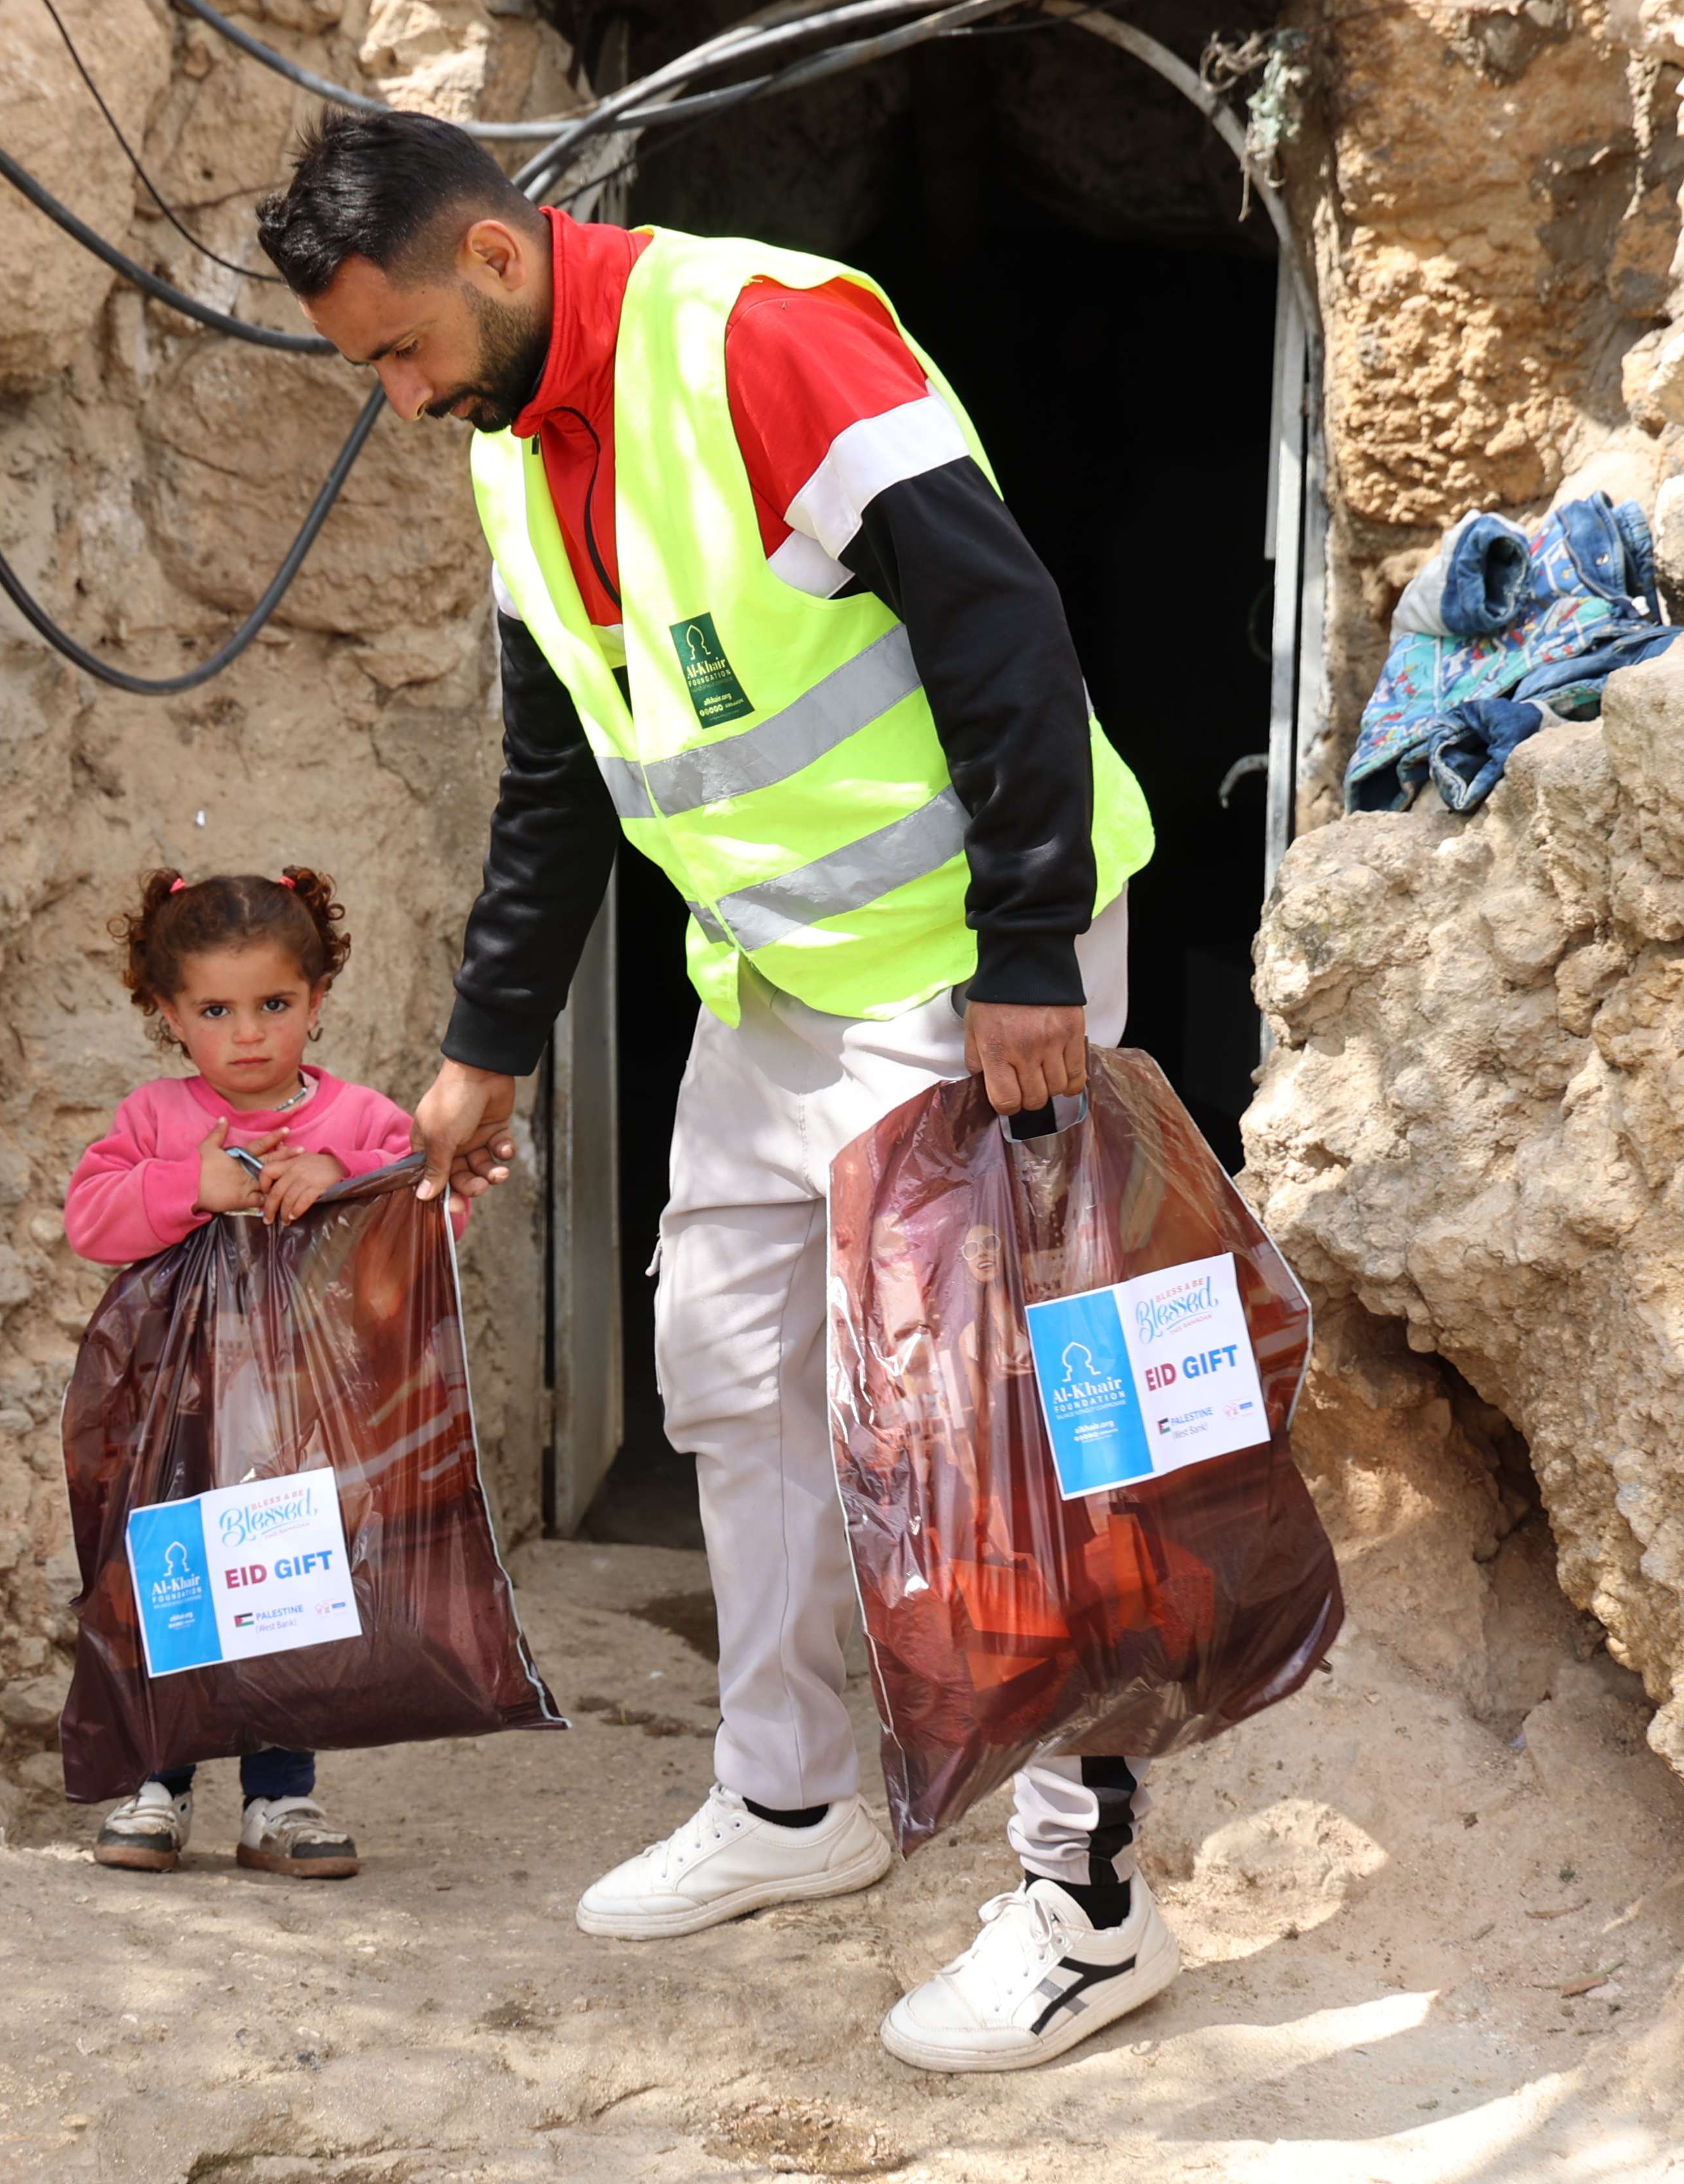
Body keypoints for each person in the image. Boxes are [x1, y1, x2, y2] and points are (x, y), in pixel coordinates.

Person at [254, 112, 1174, 2070]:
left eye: (400, 351)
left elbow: (1001, 628)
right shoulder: (514, 453)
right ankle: (792, 1795)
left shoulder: (760, 337)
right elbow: (559, 775)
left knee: (995, 1425)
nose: (398, 400)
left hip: (965, 967)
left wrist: (1028, 953)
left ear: (494, 255)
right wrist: (488, 1047)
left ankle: (1089, 1905)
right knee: (733, 1374)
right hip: (774, 984)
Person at [60, 865, 411, 1881]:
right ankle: (158, 1787)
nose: (248, 1034)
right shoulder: (156, 1121)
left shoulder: (359, 1121)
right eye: (215, 1011)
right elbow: (92, 1220)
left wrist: (348, 1177)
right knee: (172, 1589)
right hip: (180, 1414)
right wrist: (191, 1184)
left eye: (274, 1005)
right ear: (169, 1015)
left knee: (288, 1598)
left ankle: (278, 1800)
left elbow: (434, 1212)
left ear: (318, 998)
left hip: (307, 1418)